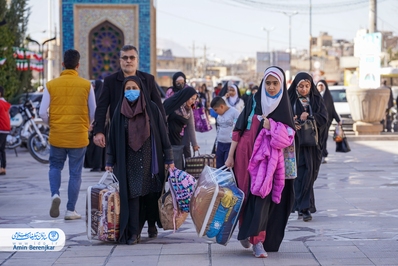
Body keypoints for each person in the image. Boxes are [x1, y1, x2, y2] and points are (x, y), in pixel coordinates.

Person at [225, 66, 297, 258]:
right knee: (245, 195)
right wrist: (231, 156)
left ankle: (259, 242)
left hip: (267, 161)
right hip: (243, 155)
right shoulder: (254, 101)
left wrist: (271, 126)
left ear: (281, 84)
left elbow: (288, 137)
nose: (271, 87)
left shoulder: (283, 106)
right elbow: (238, 129)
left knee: (262, 198)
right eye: (268, 83)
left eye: (275, 83)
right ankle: (245, 231)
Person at [105, 76, 174, 245]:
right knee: (133, 194)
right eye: (127, 89)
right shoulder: (119, 112)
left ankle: (151, 225)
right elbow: (112, 138)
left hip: (151, 158)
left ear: (141, 89)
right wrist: (109, 160)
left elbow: (163, 134)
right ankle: (133, 233)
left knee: (151, 193)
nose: (130, 92)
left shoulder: (152, 109)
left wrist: (169, 157)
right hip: (129, 160)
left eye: (134, 88)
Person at [39, 49, 96, 220]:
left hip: (57, 135)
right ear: (78, 66)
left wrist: (52, 124)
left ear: (63, 64)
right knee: (75, 173)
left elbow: (42, 112)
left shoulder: (51, 85)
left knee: (55, 167)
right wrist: (87, 125)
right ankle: (70, 210)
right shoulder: (86, 85)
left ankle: (55, 194)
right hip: (78, 136)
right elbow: (93, 112)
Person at [93, 45, 166, 149]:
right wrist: (99, 131)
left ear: (137, 60)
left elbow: (159, 108)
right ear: (120, 61)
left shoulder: (148, 80)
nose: (128, 61)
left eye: (132, 58)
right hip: (119, 133)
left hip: (145, 134)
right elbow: (101, 107)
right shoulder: (110, 81)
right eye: (125, 58)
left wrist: (163, 132)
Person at [288, 72, 327, 222]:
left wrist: (310, 117)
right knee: (298, 175)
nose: (304, 89)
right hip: (295, 144)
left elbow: (324, 118)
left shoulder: (316, 100)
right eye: (301, 86)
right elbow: (280, 118)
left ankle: (303, 206)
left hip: (311, 145)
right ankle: (304, 208)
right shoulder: (289, 100)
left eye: (307, 86)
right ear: (295, 86)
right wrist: (292, 121)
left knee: (309, 174)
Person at [163, 87, 200, 152]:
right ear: (186, 96)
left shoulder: (188, 109)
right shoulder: (171, 104)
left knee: (178, 157)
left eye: (195, 100)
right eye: (192, 99)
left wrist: (194, 144)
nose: (193, 102)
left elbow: (191, 126)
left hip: (177, 137)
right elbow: (162, 122)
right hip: (167, 138)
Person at [210, 96, 240, 168]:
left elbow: (237, 130)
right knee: (219, 167)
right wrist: (217, 144)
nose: (215, 112)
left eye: (216, 110)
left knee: (228, 167)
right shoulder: (219, 116)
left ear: (222, 106)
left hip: (229, 145)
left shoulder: (235, 113)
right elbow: (218, 129)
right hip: (220, 144)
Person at [316, 80, 341, 163]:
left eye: (321, 86)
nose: (320, 87)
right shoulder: (314, 97)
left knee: (324, 139)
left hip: (326, 123)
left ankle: (323, 155)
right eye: (318, 86)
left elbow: (332, 110)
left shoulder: (328, 97)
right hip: (316, 123)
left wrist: (338, 120)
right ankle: (317, 155)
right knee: (317, 140)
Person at [84, 80, 106, 172]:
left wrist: (91, 123)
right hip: (102, 126)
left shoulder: (97, 98)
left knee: (97, 148)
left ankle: (97, 165)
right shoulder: (101, 97)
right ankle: (101, 165)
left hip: (97, 126)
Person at [0, 86, 10, 175]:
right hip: (5, 128)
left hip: (1, 128)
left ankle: (2, 168)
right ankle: (3, 168)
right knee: (2, 149)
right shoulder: (4, 103)